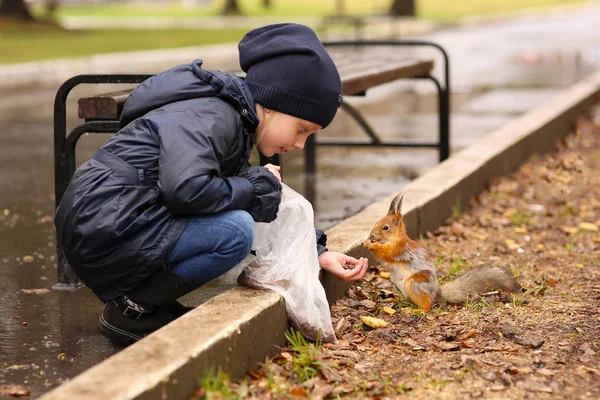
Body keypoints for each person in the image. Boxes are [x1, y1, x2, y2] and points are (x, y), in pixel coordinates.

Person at [54, 23, 369, 346]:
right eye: (301, 129)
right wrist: (252, 185)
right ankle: (132, 310)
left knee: (240, 208)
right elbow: (186, 190)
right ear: (273, 104)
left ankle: (146, 303)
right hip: (100, 220)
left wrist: (316, 252)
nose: (300, 144)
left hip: (118, 215)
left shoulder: (237, 119)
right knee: (234, 232)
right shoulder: (215, 116)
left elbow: (248, 199)